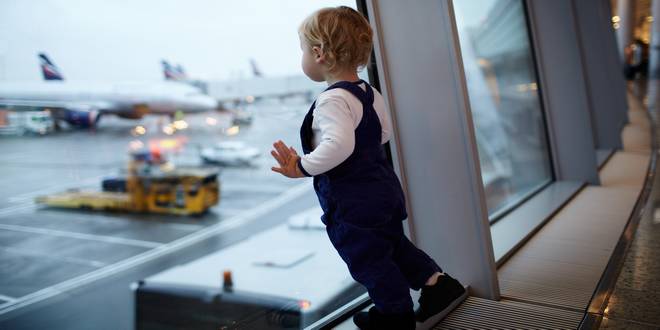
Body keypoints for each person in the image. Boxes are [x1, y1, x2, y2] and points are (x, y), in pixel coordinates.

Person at [270, 6, 466, 330]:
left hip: (355, 201)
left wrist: (302, 166)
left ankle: (394, 316)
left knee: (368, 258)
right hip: (383, 188)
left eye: (303, 50)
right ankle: (438, 284)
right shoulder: (367, 92)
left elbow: (340, 146)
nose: (302, 56)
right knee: (394, 245)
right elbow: (382, 134)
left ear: (318, 53)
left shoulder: (332, 101)